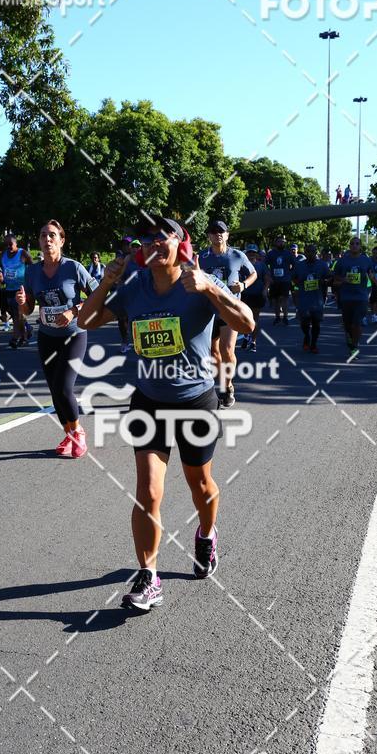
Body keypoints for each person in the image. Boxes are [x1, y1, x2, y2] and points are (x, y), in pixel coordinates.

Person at [77, 215, 254, 611]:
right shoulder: (134, 287)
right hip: (149, 400)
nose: (153, 242)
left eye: (163, 236)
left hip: (195, 400)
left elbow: (246, 322)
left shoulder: (198, 280)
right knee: (148, 493)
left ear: (180, 243)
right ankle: (149, 577)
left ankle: (207, 535)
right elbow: (86, 320)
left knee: (201, 486)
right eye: (147, 237)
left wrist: (212, 290)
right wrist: (106, 282)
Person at [16, 219, 98, 458]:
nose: (47, 239)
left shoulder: (73, 268)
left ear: (62, 241)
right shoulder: (32, 272)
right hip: (47, 336)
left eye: (52, 235)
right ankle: (69, 432)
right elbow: (28, 307)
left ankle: (78, 432)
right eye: (43, 235)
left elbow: (97, 295)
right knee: (54, 390)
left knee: (64, 387)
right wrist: (23, 304)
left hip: (74, 335)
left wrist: (74, 311)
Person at [198, 220, 256, 408]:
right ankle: (220, 381)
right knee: (213, 352)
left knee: (227, 349)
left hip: (230, 309)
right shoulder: (202, 258)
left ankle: (227, 386)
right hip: (208, 310)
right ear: (209, 236)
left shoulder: (237, 256)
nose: (218, 235)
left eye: (221, 231)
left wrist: (244, 285)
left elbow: (253, 273)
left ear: (227, 235)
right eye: (213, 232)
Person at [332, 237, 373, 356]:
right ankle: (350, 337)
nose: (354, 245)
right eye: (352, 244)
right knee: (347, 324)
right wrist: (344, 279)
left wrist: (374, 283)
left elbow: (370, 274)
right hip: (346, 297)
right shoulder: (342, 261)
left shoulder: (366, 260)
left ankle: (354, 346)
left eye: (357, 244)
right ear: (349, 246)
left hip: (361, 297)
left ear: (360, 246)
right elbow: (336, 277)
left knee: (357, 323)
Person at [292, 244, 330, 353]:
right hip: (304, 299)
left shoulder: (322, 265)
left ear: (316, 252)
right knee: (304, 322)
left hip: (317, 299)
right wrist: (298, 284)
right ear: (305, 252)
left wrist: (324, 282)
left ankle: (313, 344)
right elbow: (293, 278)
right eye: (308, 251)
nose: (310, 254)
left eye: (312, 251)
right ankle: (306, 336)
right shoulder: (299, 265)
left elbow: (329, 277)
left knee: (316, 323)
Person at [0, 233, 32, 348]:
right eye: (6, 244)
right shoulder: (3, 255)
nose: (8, 246)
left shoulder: (22, 253)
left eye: (11, 244)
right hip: (9, 288)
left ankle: (15, 337)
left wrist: (30, 281)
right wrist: (1, 277)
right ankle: (25, 333)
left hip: (21, 288)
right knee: (14, 315)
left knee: (18, 314)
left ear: (16, 243)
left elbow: (32, 266)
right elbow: (0, 269)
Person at [240, 244, 270, 351]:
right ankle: (246, 336)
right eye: (249, 252)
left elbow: (267, 278)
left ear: (257, 254)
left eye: (253, 252)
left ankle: (253, 341)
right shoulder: (241, 265)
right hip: (244, 295)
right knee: (244, 318)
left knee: (255, 318)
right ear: (246, 253)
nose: (251, 254)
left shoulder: (261, 265)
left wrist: (265, 290)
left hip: (257, 295)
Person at [265, 234, 294, 326]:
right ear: (275, 242)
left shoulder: (288, 253)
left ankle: (285, 317)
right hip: (274, 280)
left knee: (284, 299)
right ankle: (277, 317)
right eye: (279, 241)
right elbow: (265, 265)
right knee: (276, 300)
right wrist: (269, 275)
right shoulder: (271, 253)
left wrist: (290, 274)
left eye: (283, 242)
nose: (281, 243)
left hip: (285, 280)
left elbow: (294, 265)